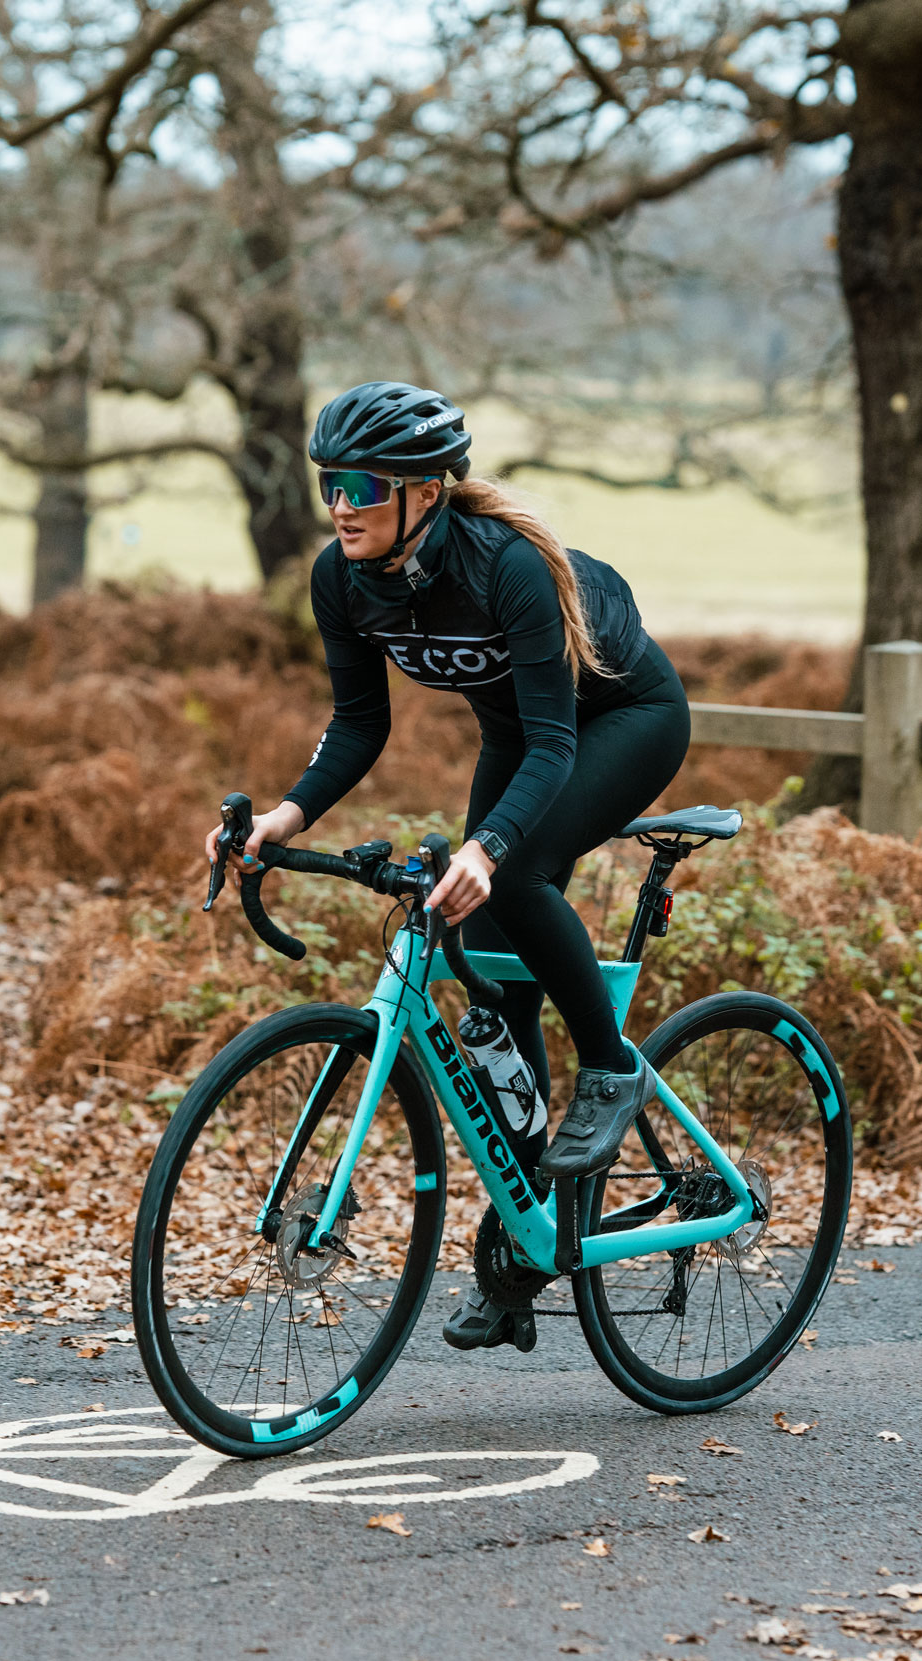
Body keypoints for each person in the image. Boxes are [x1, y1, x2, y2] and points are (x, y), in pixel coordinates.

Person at [202, 380, 693, 1351]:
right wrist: (283, 816)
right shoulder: (340, 578)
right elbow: (358, 724)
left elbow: (556, 744)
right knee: (483, 984)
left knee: (510, 875)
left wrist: (490, 847)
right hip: (519, 732)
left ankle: (610, 1070)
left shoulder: (504, 568)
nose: (340, 503)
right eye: (327, 484)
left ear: (425, 490)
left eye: (362, 485)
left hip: (618, 722)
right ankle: (525, 1246)